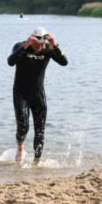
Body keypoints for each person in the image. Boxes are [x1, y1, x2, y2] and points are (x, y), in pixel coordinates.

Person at [7, 27, 68, 165]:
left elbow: (64, 62)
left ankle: (36, 161)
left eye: (42, 44)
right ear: (32, 38)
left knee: (40, 131)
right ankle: (20, 146)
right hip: (21, 93)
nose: (40, 47)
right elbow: (10, 62)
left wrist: (54, 44)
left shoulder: (48, 48)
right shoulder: (20, 46)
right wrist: (25, 46)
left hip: (38, 94)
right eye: (37, 44)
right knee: (23, 127)